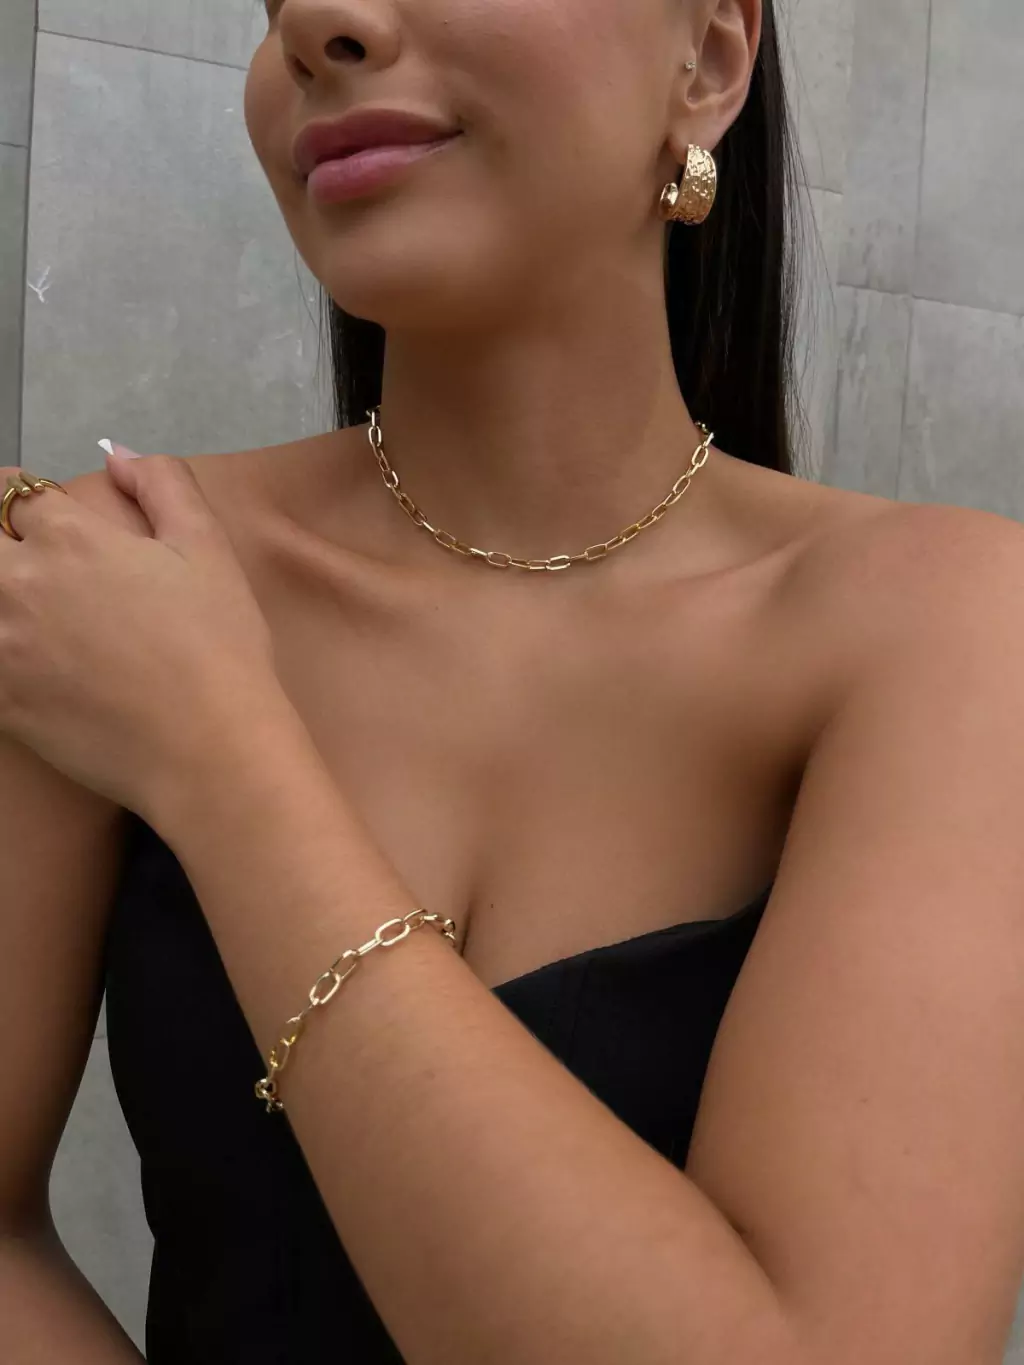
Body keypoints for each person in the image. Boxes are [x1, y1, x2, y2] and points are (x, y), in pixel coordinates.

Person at [1, 0, 1023, 1361]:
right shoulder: (99, 589)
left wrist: (216, 752)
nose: (318, 20)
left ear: (710, 59)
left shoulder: (942, 625)